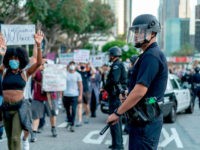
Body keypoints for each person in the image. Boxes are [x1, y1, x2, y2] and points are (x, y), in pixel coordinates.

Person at [107, 14, 168, 150]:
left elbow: (140, 91)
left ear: (152, 33)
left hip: (146, 120)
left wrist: (117, 113)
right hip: (143, 117)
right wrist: (128, 94)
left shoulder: (151, 56)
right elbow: (146, 93)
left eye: (139, 31)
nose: (136, 35)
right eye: (135, 32)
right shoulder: (147, 54)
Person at [0, 31, 43, 150]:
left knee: (15, 138)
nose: (14, 60)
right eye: (11, 58)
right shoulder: (3, 71)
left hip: (19, 108)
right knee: (9, 139)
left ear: (21, 60)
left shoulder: (25, 73)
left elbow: (39, 63)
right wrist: (1, 53)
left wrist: (38, 45)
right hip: (6, 108)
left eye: (16, 59)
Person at [103, 46, 127, 150]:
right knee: (112, 122)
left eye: (109, 55)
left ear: (113, 56)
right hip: (113, 96)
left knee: (115, 121)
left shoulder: (117, 65)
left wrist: (106, 85)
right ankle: (115, 144)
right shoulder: (116, 64)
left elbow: (115, 80)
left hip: (116, 97)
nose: (108, 56)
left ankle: (118, 145)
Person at [63, 61, 83, 132]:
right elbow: (61, 83)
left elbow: (80, 86)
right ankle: (69, 121)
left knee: (74, 110)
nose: (72, 66)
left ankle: (72, 124)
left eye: (73, 65)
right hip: (66, 95)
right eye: (70, 65)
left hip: (75, 95)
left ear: (75, 66)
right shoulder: (65, 74)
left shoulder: (78, 75)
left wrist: (80, 95)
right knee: (67, 110)